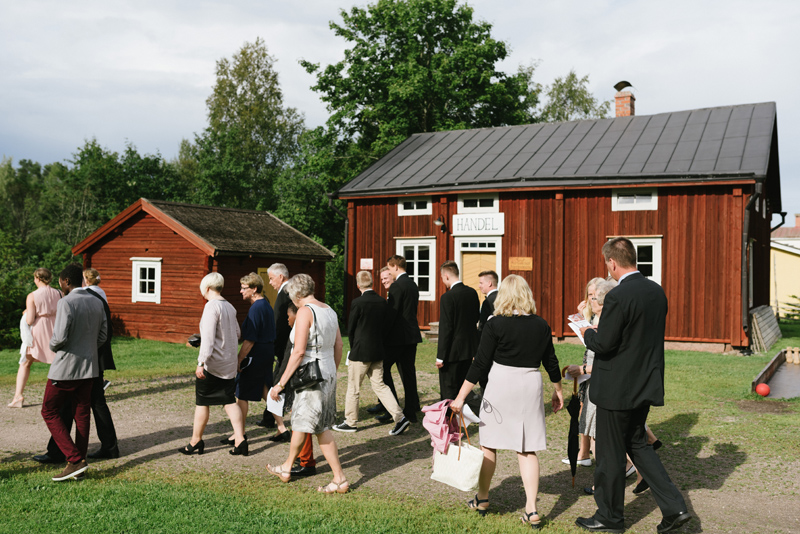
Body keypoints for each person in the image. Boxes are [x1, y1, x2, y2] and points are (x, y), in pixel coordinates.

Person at [576, 237, 691, 534]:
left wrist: (586, 331)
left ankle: (609, 518)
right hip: (645, 382)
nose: (608, 270)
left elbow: (604, 343)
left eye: (607, 265)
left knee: (610, 456)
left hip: (617, 388)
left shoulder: (618, 296)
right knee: (639, 445)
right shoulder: (656, 291)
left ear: (612, 263)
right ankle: (675, 507)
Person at [450, 274, 563, 529]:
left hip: (501, 383)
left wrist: (460, 397)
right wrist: (558, 390)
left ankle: (482, 498)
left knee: (489, 444)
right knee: (526, 447)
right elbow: (551, 361)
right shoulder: (541, 324)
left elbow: (479, 364)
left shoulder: (494, 324)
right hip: (530, 383)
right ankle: (532, 509)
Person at [267, 274, 348, 494]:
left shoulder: (305, 311)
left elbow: (299, 351)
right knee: (317, 426)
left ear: (295, 294)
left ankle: (291, 468)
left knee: (307, 423)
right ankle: (336, 478)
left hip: (311, 375)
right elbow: (339, 344)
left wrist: (281, 383)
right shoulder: (329, 310)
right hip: (328, 372)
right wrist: (333, 369)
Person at [40, 263, 108, 481]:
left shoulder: (66, 302)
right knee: (82, 414)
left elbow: (59, 338)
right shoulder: (97, 301)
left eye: (60, 281)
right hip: (90, 368)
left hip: (65, 369)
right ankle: (80, 460)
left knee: (49, 411)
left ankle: (74, 459)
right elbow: (103, 336)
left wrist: (51, 346)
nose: (60, 285)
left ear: (66, 281)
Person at [333, 271, 409, 436]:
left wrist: (354, 348)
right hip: (377, 349)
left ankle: (350, 422)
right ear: (372, 283)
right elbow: (386, 325)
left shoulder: (357, 302)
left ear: (358, 285)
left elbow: (351, 328)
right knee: (380, 385)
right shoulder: (382, 301)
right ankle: (400, 417)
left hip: (360, 351)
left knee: (353, 388)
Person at [179, 273, 247, 456]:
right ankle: (240, 439)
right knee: (229, 401)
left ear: (207, 288)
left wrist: (201, 362)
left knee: (202, 402)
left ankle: (196, 441)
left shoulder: (211, 307)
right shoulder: (230, 307)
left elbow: (208, 339)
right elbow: (237, 333)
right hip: (229, 363)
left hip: (213, 364)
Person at [221, 273, 276, 446]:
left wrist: (239, 359)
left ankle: (240, 434)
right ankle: (282, 428)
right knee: (266, 390)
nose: (240, 291)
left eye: (244, 288)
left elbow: (250, 339)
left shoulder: (256, 308)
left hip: (256, 354)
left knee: (241, 392)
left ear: (254, 289)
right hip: (267, 352)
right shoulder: (266, 304)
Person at [562, 276, 605, 468]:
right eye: (589, 295)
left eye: (595, 296)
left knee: (595, 419)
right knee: (585, 412)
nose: (591, 299)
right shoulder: (594, 315)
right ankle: (583, 452)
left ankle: (629, 464)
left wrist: (583, 369)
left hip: (596, 369)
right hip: (590, 365)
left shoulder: (604, 317)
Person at [378, 255, 422, 423]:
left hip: (397, 338)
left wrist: (382, 335)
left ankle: (392, 407)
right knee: (409, 373)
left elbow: (392, 314)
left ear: (395, 267)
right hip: (412, 334)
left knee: (383, 368)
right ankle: (411, 409)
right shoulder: (413, 284)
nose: (388, 271)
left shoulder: (397, 287)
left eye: (389, 268)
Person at [9, 268, 61, 408]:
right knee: (58, 361)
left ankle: (18, 396)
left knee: (25, 362)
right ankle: (65, 394)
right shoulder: (59, 293)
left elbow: (30, 320)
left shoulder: (32, 295)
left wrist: (25, 313)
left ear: (37, 278)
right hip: (55, 328)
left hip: (39, 330)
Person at [83, 268, 120, 459]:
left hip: (91, 355)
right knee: (97, 401)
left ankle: (108, 446)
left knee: (95, 402)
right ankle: (109, 446)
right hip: (98, 353)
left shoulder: (90, 296)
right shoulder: (101, 294)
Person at [436, 261, 480, 402]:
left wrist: (440, 356)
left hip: (452, 353)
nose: (443, 281)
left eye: (442, 278)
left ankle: (449, 422)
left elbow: (446, 328)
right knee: (463, 390)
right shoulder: (472, 293)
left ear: (447, 275)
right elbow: (475, 318)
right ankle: (462, 420)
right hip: (468, 350)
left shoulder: (447, 297)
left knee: (448, 390)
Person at [258, 263, 291, 428]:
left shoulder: (285, 294)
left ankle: (272, 419)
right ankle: (269, 417)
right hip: (286, 346)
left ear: (280, 277)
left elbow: (280, 325)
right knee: (278, 382)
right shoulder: (287, 292)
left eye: (271, 278)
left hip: (284, 347)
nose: (270, 282)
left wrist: (276, 349)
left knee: (278, 383)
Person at [477, 270, 499, 338]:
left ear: (489, 283)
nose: (479, 286)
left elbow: (483, 325)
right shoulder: (503, 298)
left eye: (481, 283)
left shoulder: (488, 302)